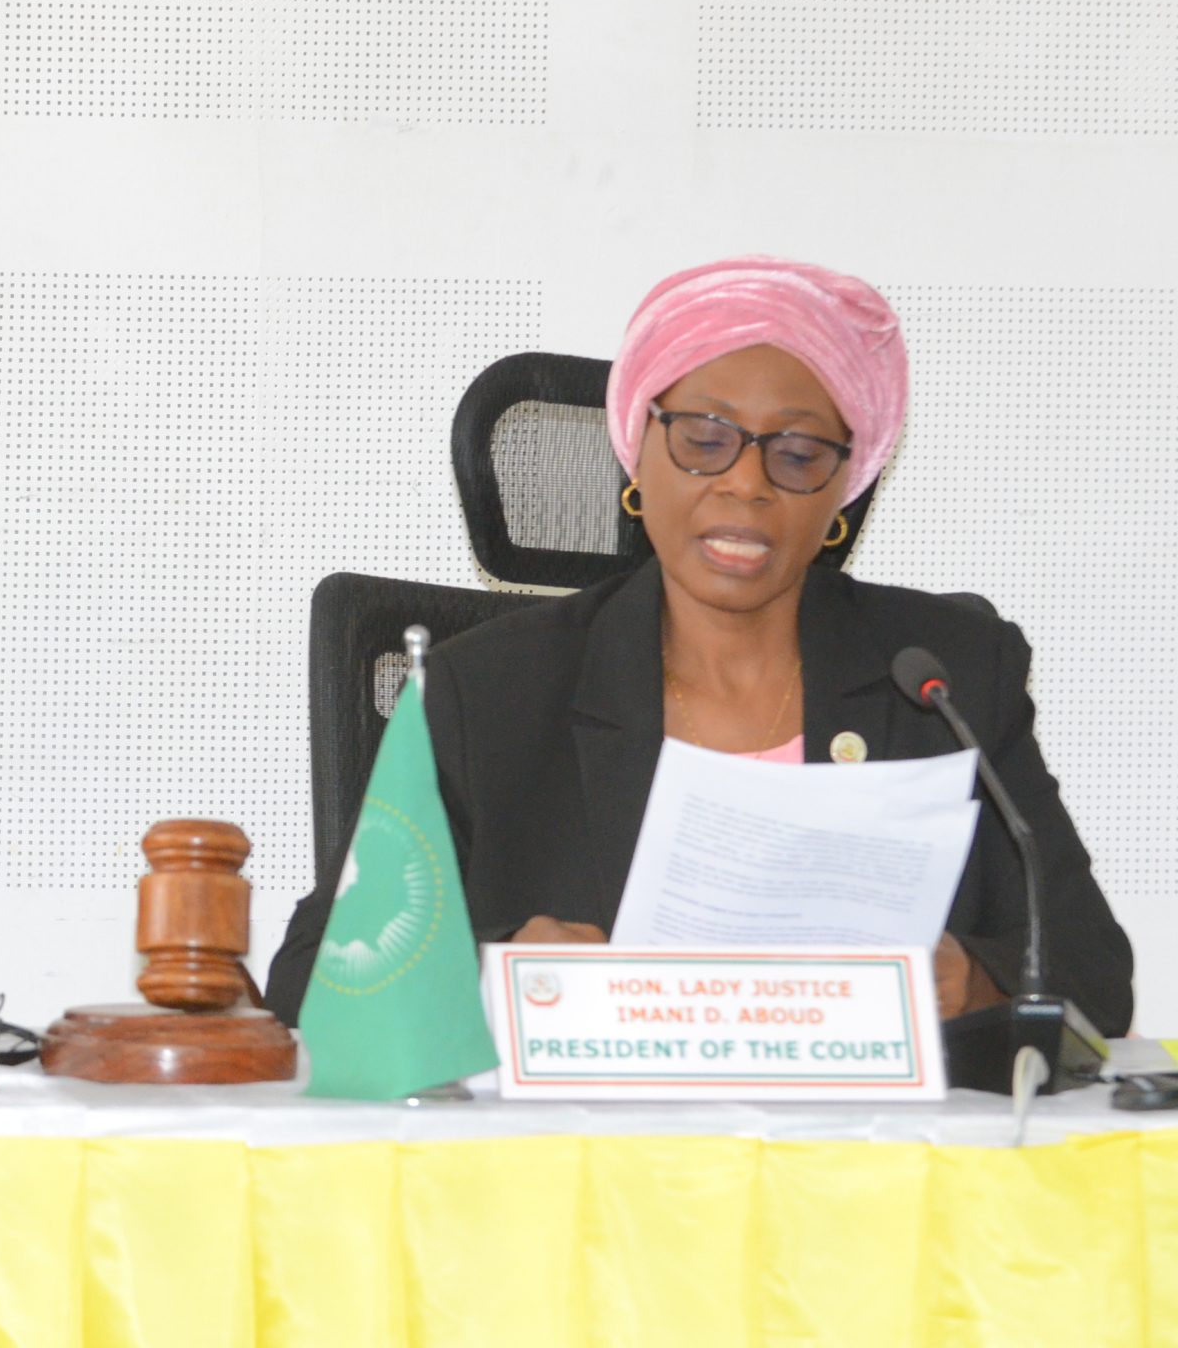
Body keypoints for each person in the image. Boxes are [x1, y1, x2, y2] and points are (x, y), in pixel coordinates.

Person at [268, 257, 1132, 1036]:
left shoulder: (945, 679)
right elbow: (313, 973)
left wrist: (975, 982)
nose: (746, 482)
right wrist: (502, 975)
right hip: (580, 1183)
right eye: (704, 438)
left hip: (873, 1181)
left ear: (843, 487)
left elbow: (1096, 976)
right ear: (638, 454)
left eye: (797, 453)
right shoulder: (486, 690)